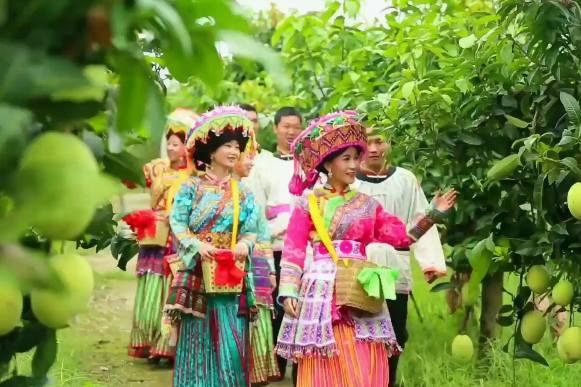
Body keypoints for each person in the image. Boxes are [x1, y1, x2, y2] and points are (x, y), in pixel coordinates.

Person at [275, 111, 457, 387]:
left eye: (354, 158)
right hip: (321, 291)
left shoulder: (366, 204)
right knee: (325, 356)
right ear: (328, 165)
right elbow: (293, 249)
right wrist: (288, 288)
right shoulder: (308, 203)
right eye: (345, 159)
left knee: (364, 355)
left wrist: (432, 214)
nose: (353, 165)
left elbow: (403, 237)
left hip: (360, 287)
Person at [163, 105, 260, 387]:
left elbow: (251, 230)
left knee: (232, 343)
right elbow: (177, 224)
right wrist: (195, 245)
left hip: (231, 274)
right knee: (197, 338)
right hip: (197, 272)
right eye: (227, 145)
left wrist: (244, 244)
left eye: (236, 146)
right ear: (211, 150)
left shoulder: (243, 192)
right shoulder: (190, 188)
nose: (233, 151)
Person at [352, 127, 448, 387]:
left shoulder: (406, 179)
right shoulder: (349, 181)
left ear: (389, 143)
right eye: (367, 142)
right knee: (357, 331)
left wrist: (430, 263)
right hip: (356, 269)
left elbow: (418, 219)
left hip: (396, 267)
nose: (373, 149)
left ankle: (388, 380)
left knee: (395, 331)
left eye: (379, 141)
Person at [126, 108, 198, 365]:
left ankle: (167, 345)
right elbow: (131, 180)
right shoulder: (155, 168)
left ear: (187, 146)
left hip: (179, 240)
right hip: (155, 239)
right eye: (168, 142)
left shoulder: (195, 175)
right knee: (152, 288)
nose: (170, 147)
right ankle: (149, 340)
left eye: (175, 143)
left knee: (173, 289)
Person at [245, 106, 303, 381]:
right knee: (277, 308)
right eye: (286, 126)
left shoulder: (310, 164)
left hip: (305, 250)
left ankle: (303, 366)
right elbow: (256, 209)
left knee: (304, 306)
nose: (291, 131)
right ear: (276, 128)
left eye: (296, 126)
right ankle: (277, 364)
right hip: (276, 247)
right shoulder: (262, 165)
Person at [234, 155, 281, 386]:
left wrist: (271, 269)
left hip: (255, 265)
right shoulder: (205, 190)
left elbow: (262, 232)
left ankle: (254, 371)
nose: (252, 163)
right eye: (247, 157)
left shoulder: (248, 194)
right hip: (226, 263)